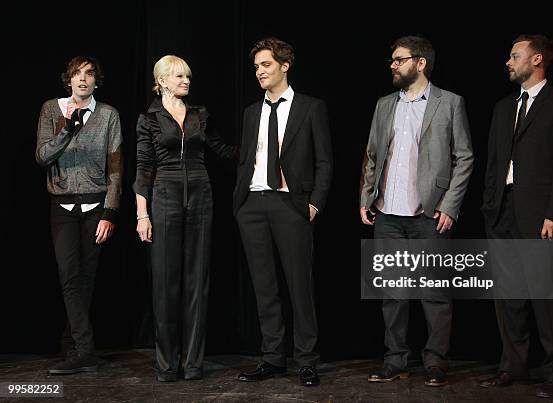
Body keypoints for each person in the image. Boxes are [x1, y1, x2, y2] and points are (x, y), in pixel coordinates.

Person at [359, 36, 473, 386]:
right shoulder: (383, 105)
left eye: (399, 60)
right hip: (388, 214)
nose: (392, 65)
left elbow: (464, 157)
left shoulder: (449, 103)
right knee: (393, 293)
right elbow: (372, 154)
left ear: (420, 63)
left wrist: (450, 205)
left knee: (433, 292)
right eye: (392, 60)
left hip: (428, 214)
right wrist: (366, 197)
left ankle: (435, 361)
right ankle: (395, 359)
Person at [479, 34, 553, 398]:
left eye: (514, 55)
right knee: (508, 295)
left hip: (540, 215)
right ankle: (513, 366)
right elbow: (494, 163)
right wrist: (489, 204)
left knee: (547, 294)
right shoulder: (502, 108)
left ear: (536, 59)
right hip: (502, 210)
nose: (508, 62)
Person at [234, 37, 333, 387]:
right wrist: (242, 200)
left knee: (299, 286)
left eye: (266, 65)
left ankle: (306, 360)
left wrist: (315, 202)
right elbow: (248, 158)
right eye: (257, 66)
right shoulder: (250, 112)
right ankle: (273, 358)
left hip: (291, 205)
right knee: (264, 287)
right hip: (253, 205)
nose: (260, 72)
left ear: (284, 65)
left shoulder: (310, 107)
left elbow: (324, 160)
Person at [133, 55, 236, 382]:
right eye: (178, 76)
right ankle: (166, 364)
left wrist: (261, 148)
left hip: (201, 195)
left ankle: (193, 363)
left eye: (187, 76)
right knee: (165, 282)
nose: (185, 81)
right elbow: (143, 167)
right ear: (161, 80)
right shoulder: (148, 118)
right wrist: (142, 213)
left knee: (197, 280)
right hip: (164, 195)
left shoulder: (200, 114)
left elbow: (222, 150)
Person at [36, 56, 123, 375]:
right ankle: (85, 350)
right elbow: (43, 156)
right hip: (62, 205)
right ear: (68, 79)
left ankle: (72, 345)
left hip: (96, 206)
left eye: (89, 74)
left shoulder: (108, 114)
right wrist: (68, 129)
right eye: (76, 74)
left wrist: (110, 212)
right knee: (69, 275)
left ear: (96, 81)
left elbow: (115, 168)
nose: (82, 79)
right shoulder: (51, 109)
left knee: (86, 280)